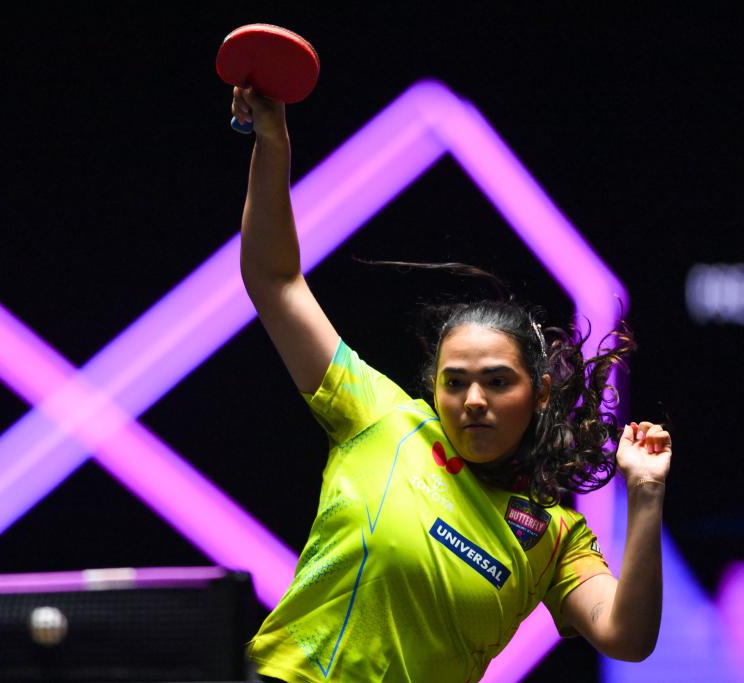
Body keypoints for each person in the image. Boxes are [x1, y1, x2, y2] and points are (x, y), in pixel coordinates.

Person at [231, 85, 671, 683]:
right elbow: (275, 279)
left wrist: (645, 494)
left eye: (498, 381)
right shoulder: (379, 419)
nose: (474, 401)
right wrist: (273, 142)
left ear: (541, 393)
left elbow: (628, 638)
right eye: (455, 382)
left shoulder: (553, 538)